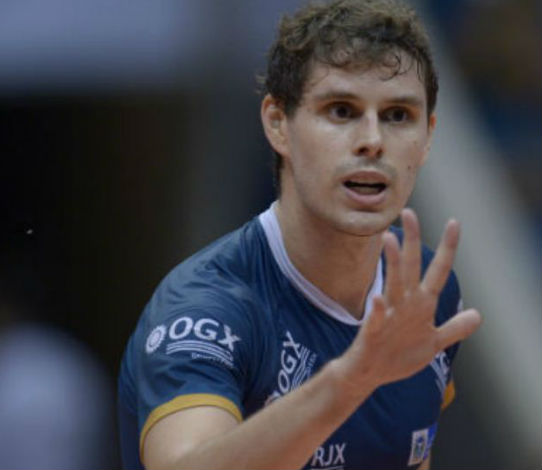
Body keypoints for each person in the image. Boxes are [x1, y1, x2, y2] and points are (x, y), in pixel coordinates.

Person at [118, 1, 482, 468]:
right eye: (341, 110)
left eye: (397, 115)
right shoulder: (207, 308)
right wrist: (351, 379)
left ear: (428, 135)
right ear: (277, 123)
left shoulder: (426, 290)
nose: (372, 140)